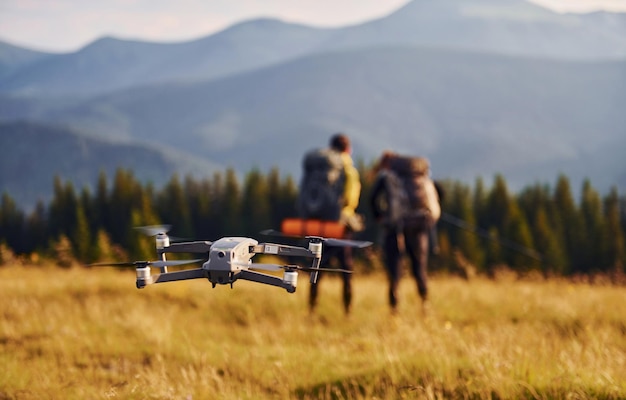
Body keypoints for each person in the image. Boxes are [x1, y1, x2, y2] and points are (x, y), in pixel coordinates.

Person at [369, 151, 440, 315]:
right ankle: (425, 304)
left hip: (395, 229)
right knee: (419, 269)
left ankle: (394, 308)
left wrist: (380, 216)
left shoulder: (388, 178)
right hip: (419, 227)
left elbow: (373, 198)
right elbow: (439, 192)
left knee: (394, 272)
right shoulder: (420, 176)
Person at [307, 133, 362, 315]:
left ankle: (312, 308)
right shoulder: (348, 169)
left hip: (319, 224)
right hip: (340, 225)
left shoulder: (321, 168)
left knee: (317, 267)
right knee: (345, 268)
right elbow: (349, 199)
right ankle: (348, 310)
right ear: (348, 149)